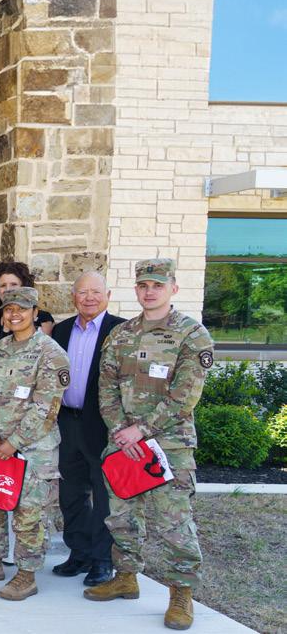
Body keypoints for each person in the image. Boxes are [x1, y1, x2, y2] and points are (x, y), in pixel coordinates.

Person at [84, 259, 213, 631]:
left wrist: (140, 430)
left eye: (157, 285)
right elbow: (106, 388)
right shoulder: (121, 335)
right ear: (136, 289)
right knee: (122, 517)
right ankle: (126, 577)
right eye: (143, 285)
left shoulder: (192, 335)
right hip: (123, 445)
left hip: (169, 446)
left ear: (173, 288)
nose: (149, 291)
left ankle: (182, 593)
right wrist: (120, 430)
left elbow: (184, 396)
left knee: (173, 522)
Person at [0, 287, 68, 601]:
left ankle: (26, 575)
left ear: (35, 313)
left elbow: (46, 407)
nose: (14, 314)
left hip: (33, 449)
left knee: (28, 514)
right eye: (9, 309)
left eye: (22, 308)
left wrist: (13, 442)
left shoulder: (51, 353)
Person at [51, 271, 125, 588]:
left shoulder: (121, 330)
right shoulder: (62, 330)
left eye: (96, 291)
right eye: (83, 292)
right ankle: (79, 553)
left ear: (107, 295)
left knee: (104, 496)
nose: (89, 298)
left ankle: (101, 560)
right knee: (71, 494)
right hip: (67, 422)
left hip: (103, 425)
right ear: (74, 297)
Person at [0, 262, 54, 350]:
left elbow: (44, 351)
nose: (8, 289)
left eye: (14, 284)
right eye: (3, 285)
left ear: (24, 286)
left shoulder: (42, 319)